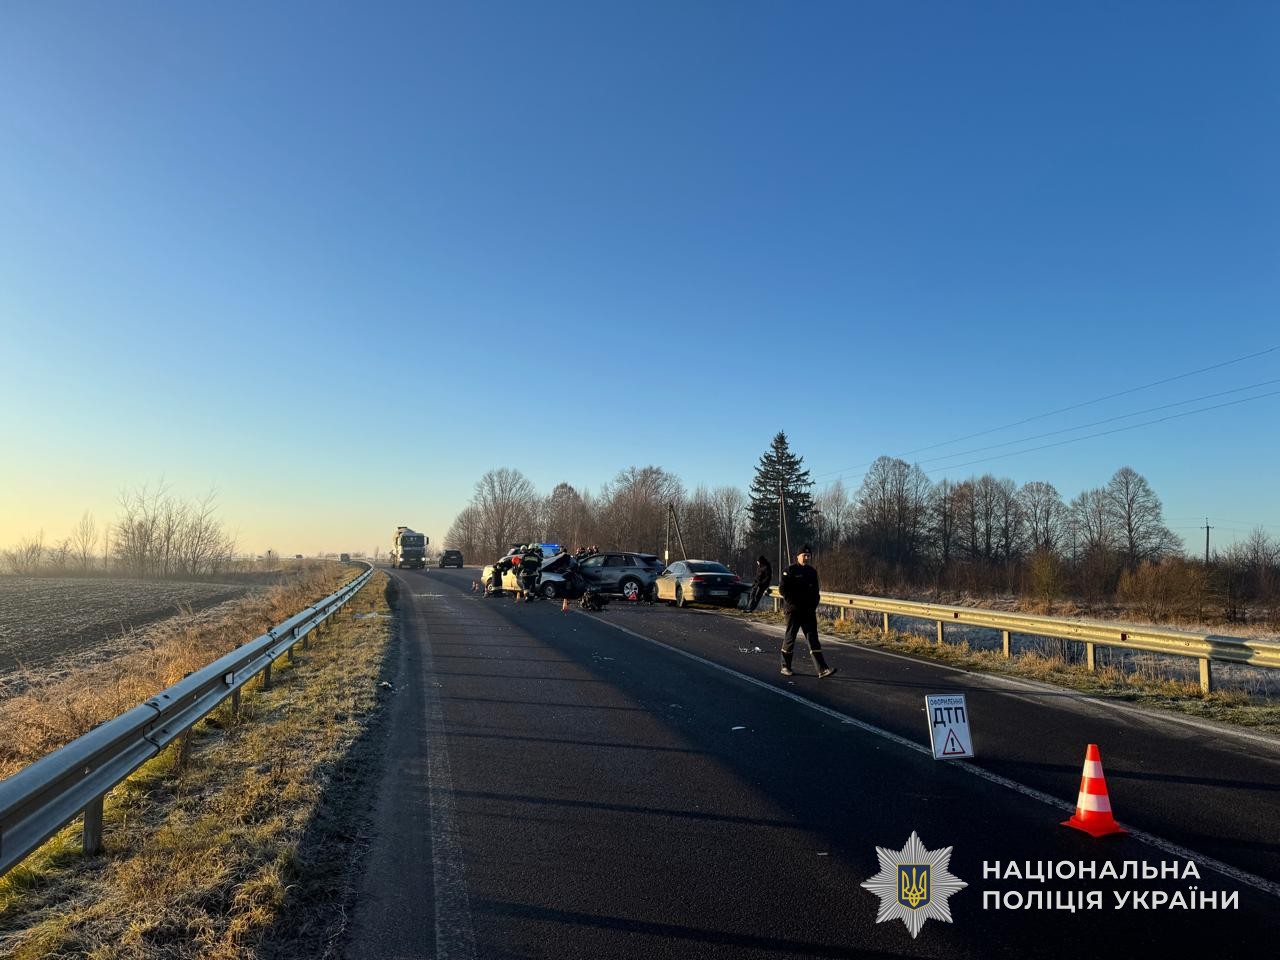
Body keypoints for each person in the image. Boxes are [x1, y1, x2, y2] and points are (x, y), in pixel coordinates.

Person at [779, 545, 836, 678]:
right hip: (793, 611)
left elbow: (815, 592)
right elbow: (783, 590)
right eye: (804, 555)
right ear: (798, 556)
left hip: (808, 611)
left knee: (813, 638)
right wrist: (793, 603)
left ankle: (822, 669)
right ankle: (785, 666)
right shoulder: (789, 571)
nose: (806, 558)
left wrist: (813, 605)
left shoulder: (812, 572)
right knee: (790, 637)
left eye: (808, 556)